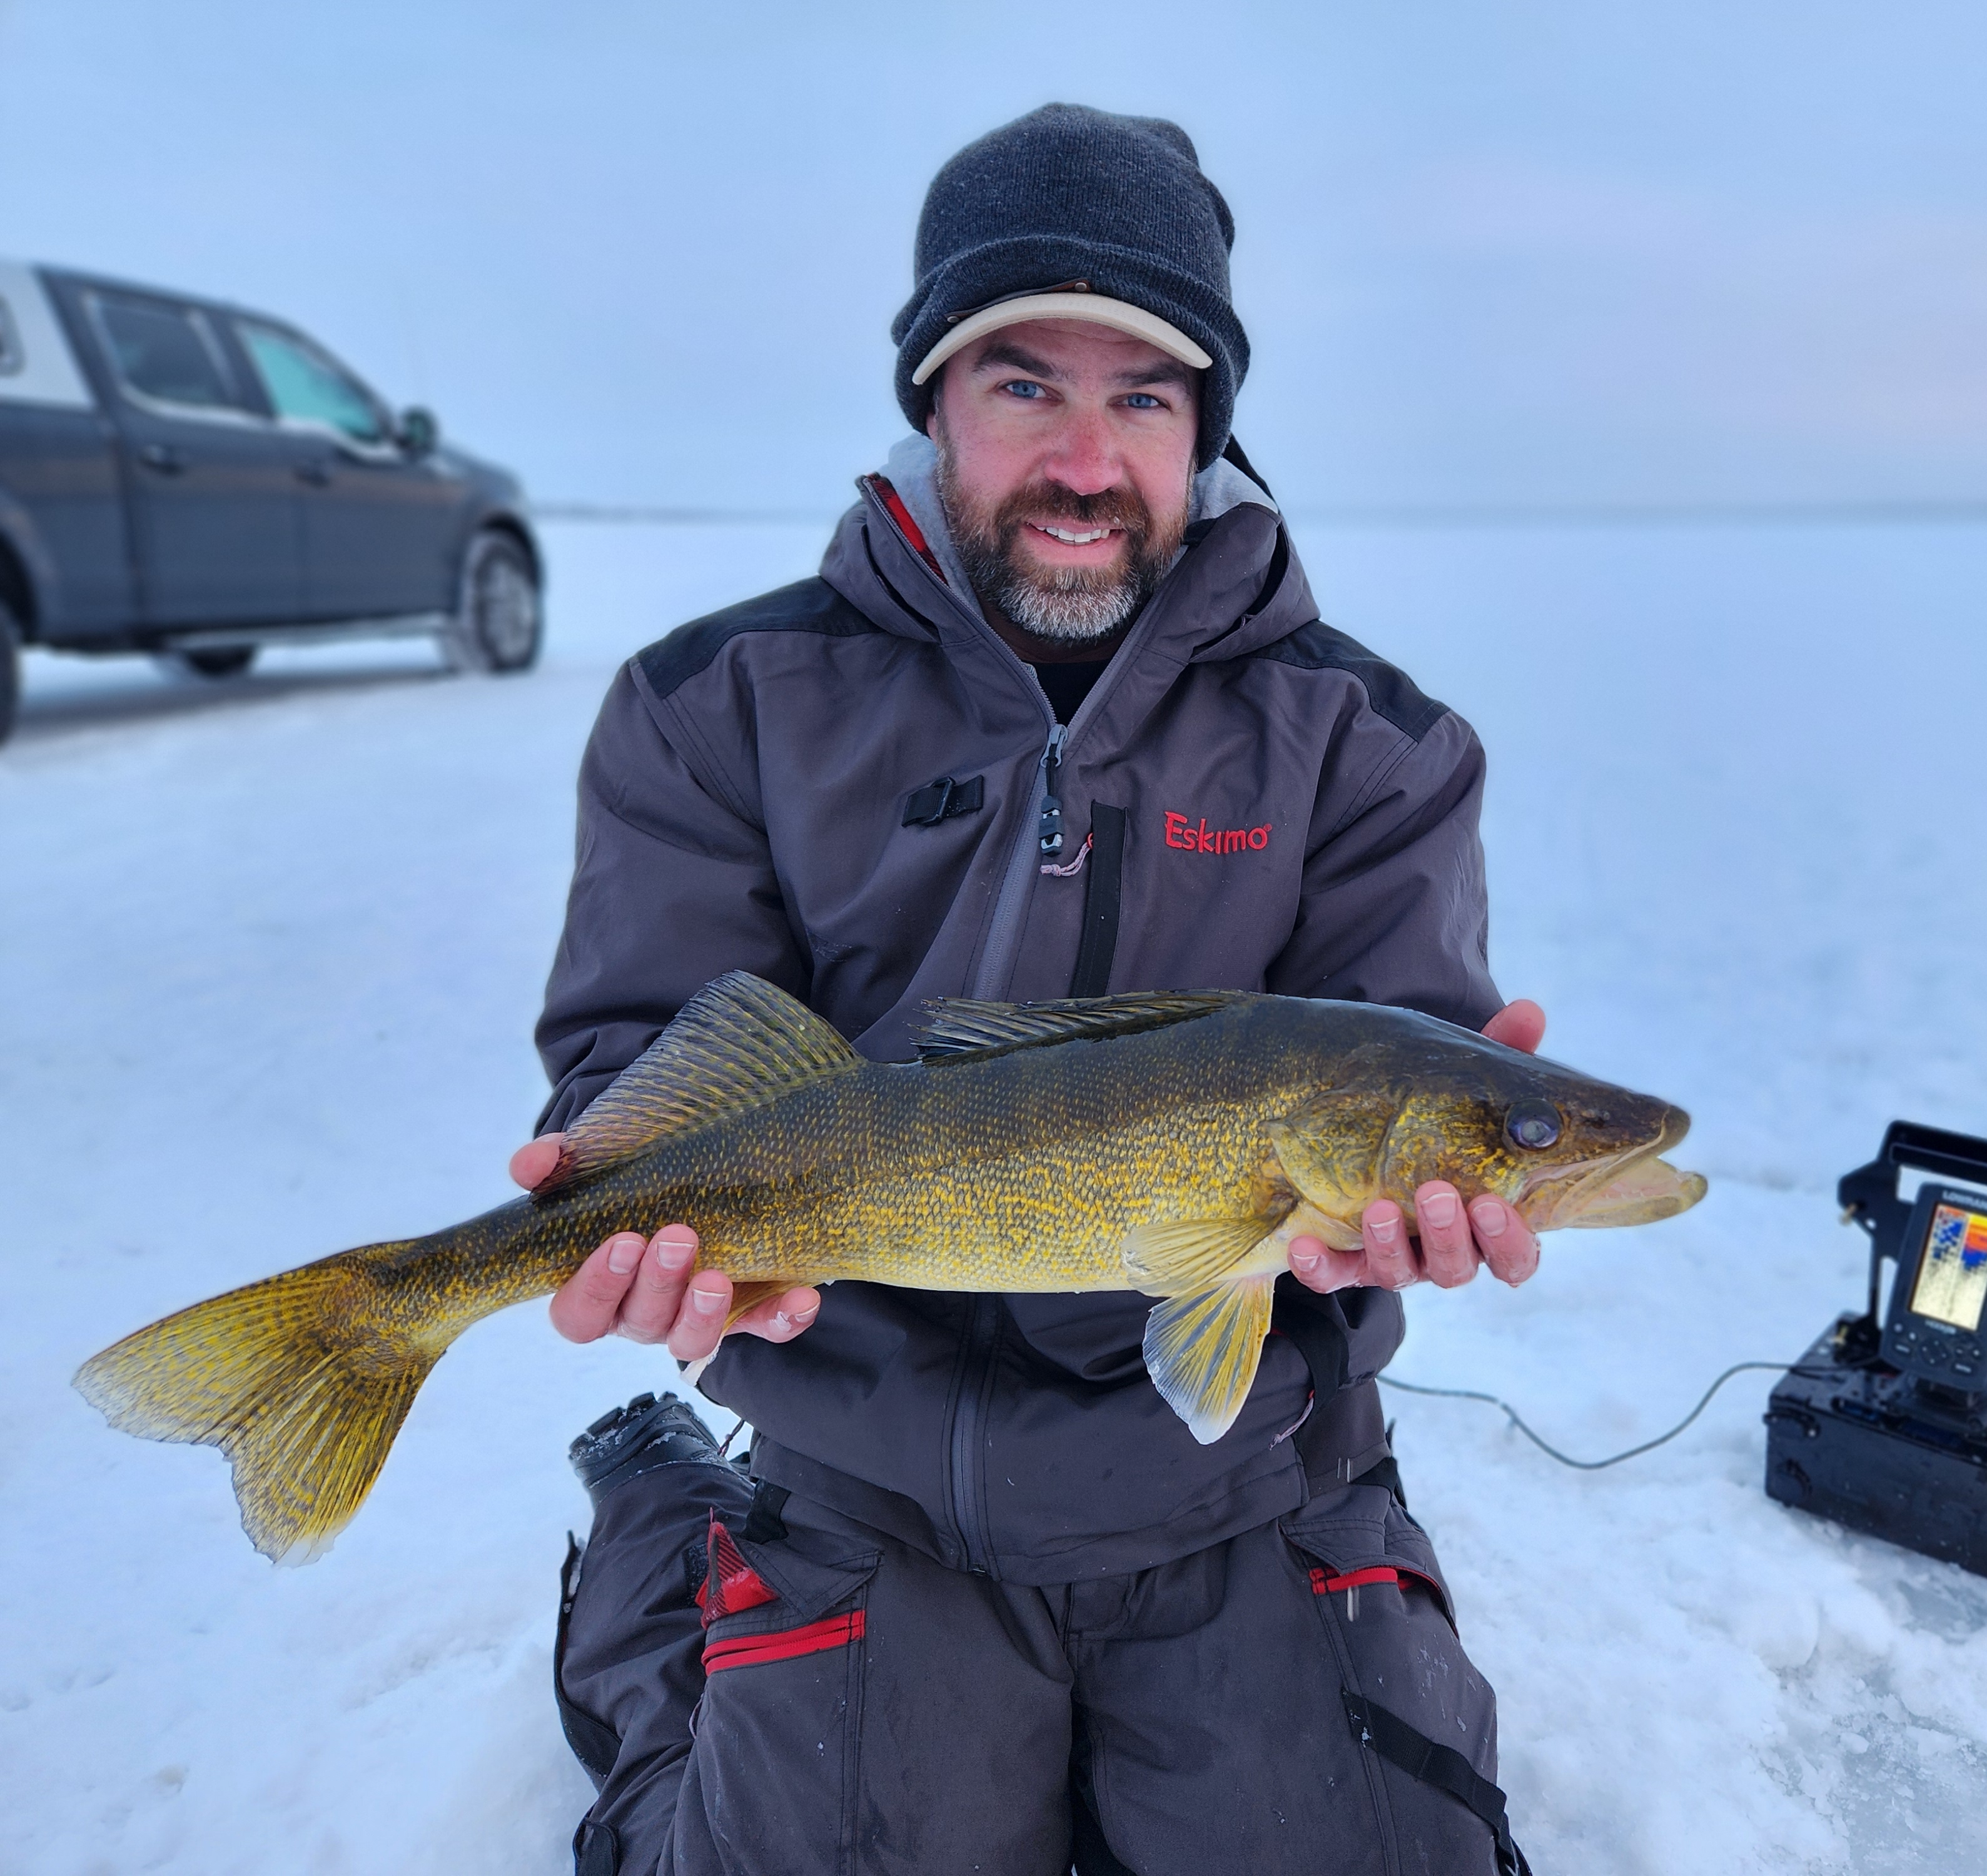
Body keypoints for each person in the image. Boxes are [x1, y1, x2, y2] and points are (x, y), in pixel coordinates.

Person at [529, 104, 1544, 1876]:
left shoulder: (1377, 744)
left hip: (1246, 1474)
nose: (1088, 458)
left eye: (1144, 395)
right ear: (931, 402)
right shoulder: (717, 705)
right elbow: (647, 1048)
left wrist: (1424, 1200)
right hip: (861, 1456)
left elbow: (1400, 1058)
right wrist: (622, 1189)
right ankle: (653, 1501)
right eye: (1023, 384)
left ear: (1208, 428)